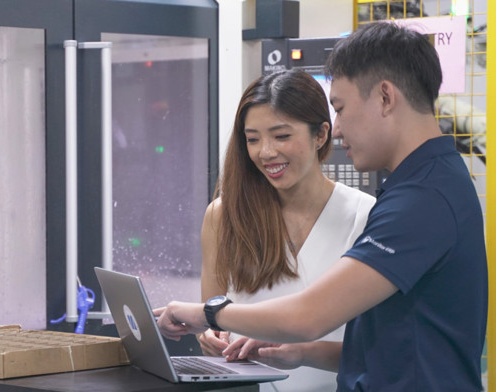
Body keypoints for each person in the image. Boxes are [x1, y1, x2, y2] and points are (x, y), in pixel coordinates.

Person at [154, 21, 488, 391]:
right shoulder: (422, 184)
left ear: (385, 97)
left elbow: (308, 316)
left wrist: (206, 314)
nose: (339, 129)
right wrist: (301, 353)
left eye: (341, 109)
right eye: (253, 139)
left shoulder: (421, 200)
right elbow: (386, 350)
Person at [196, 69, 375, 391]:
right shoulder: (222, 217)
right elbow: (213, 313)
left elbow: (376, 348)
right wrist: (208, 336)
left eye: (281, 136)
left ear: (320, 135)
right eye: (252, 139)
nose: (265, 152)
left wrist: (304, 353)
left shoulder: (366, 216)